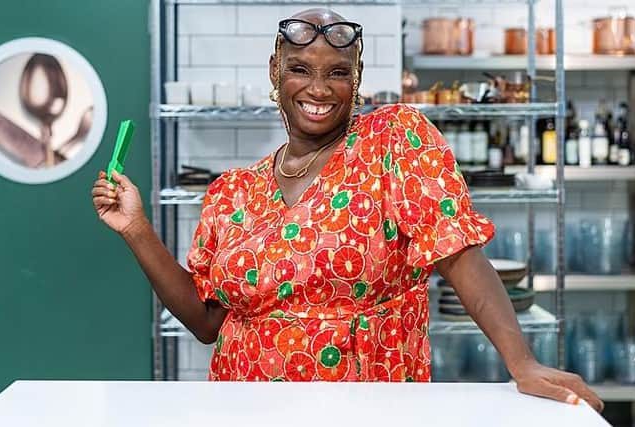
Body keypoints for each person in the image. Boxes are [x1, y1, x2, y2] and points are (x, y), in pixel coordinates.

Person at [92, 8, 603, 411]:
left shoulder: (394, 142)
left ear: (357, 77)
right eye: (300, 69)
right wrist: (136, 228)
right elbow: (206, 322)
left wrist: (522, 362)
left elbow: (458, 253)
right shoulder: (232, 192)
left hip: (368, 403)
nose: (319, 88)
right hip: (245, 405)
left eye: (338, 72)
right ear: (276, 71)